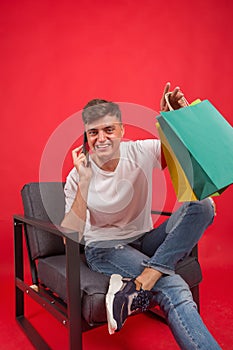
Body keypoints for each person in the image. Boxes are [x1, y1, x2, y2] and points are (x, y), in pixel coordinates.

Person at [61, 82, 220, 349]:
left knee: (203, 205)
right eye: (93, 132)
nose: (101, 138)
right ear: (86, 137)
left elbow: (190, 155)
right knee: (174, 286)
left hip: (144, 240)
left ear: (122, 130)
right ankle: (157, 275)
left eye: (109, 129)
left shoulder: (140, 151)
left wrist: (177, 118)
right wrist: (85, 182)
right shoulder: (78, 174)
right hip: (103, 249)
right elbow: (71, 237)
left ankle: (147, 277)